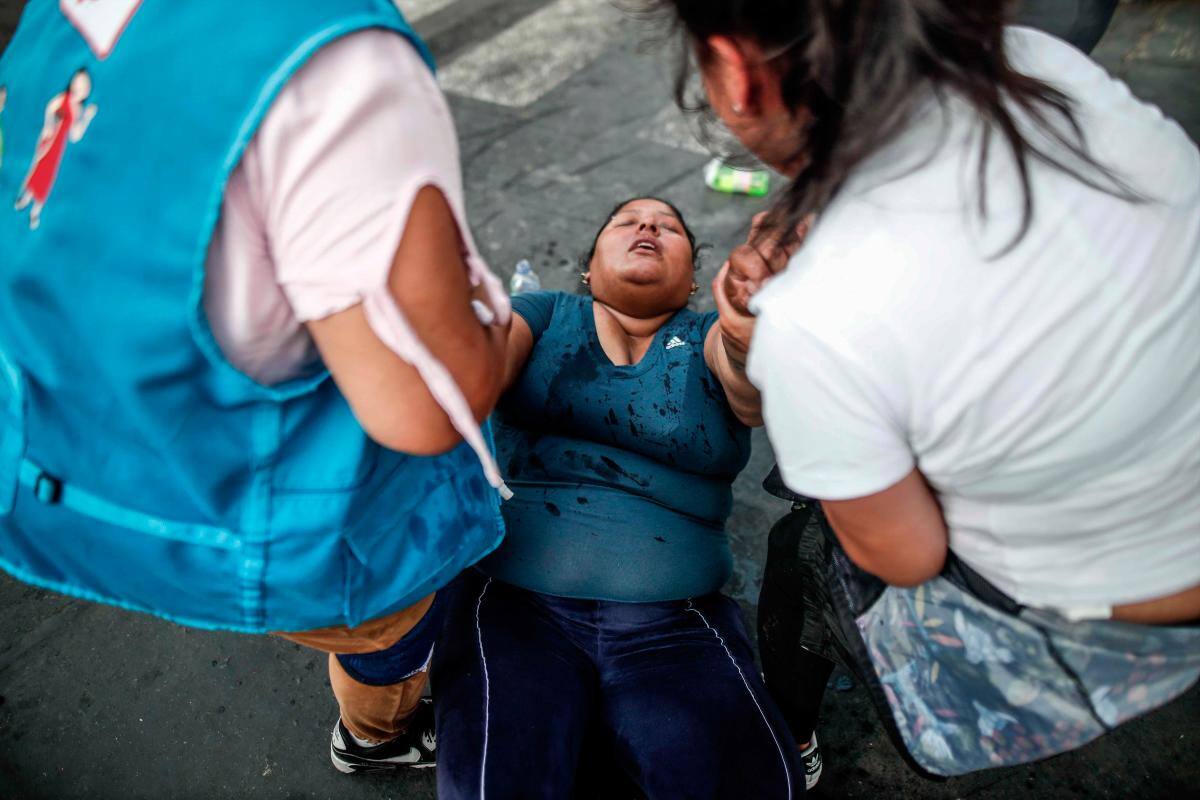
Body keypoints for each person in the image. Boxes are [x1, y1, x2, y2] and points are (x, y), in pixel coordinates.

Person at [645, 0, 1200, 783]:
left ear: (738, 72)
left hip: (1135, 605)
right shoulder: (1047, 65)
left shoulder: (820, 316)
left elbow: (904, 556)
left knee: (805, 544)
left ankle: (788, 743)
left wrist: (789, 343)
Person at [0, 0, 510, 774]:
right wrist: (499, 328)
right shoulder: (336, 66)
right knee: (391, 640)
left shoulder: (54, 14)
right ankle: (378, 734)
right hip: (307, 544)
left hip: (96, 500)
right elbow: (429, 406)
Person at [431, 197, 809, 798]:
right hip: (513, 609)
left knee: (747, 782)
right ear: (589, 268)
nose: (648, 227)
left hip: (678, 625)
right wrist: (454, 318)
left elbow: (748, 389)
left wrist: (743, 329)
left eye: (669, 227)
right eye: (627, 221)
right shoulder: (546, 313)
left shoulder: (709, 333)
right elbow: (475, 373)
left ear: (691, 280)